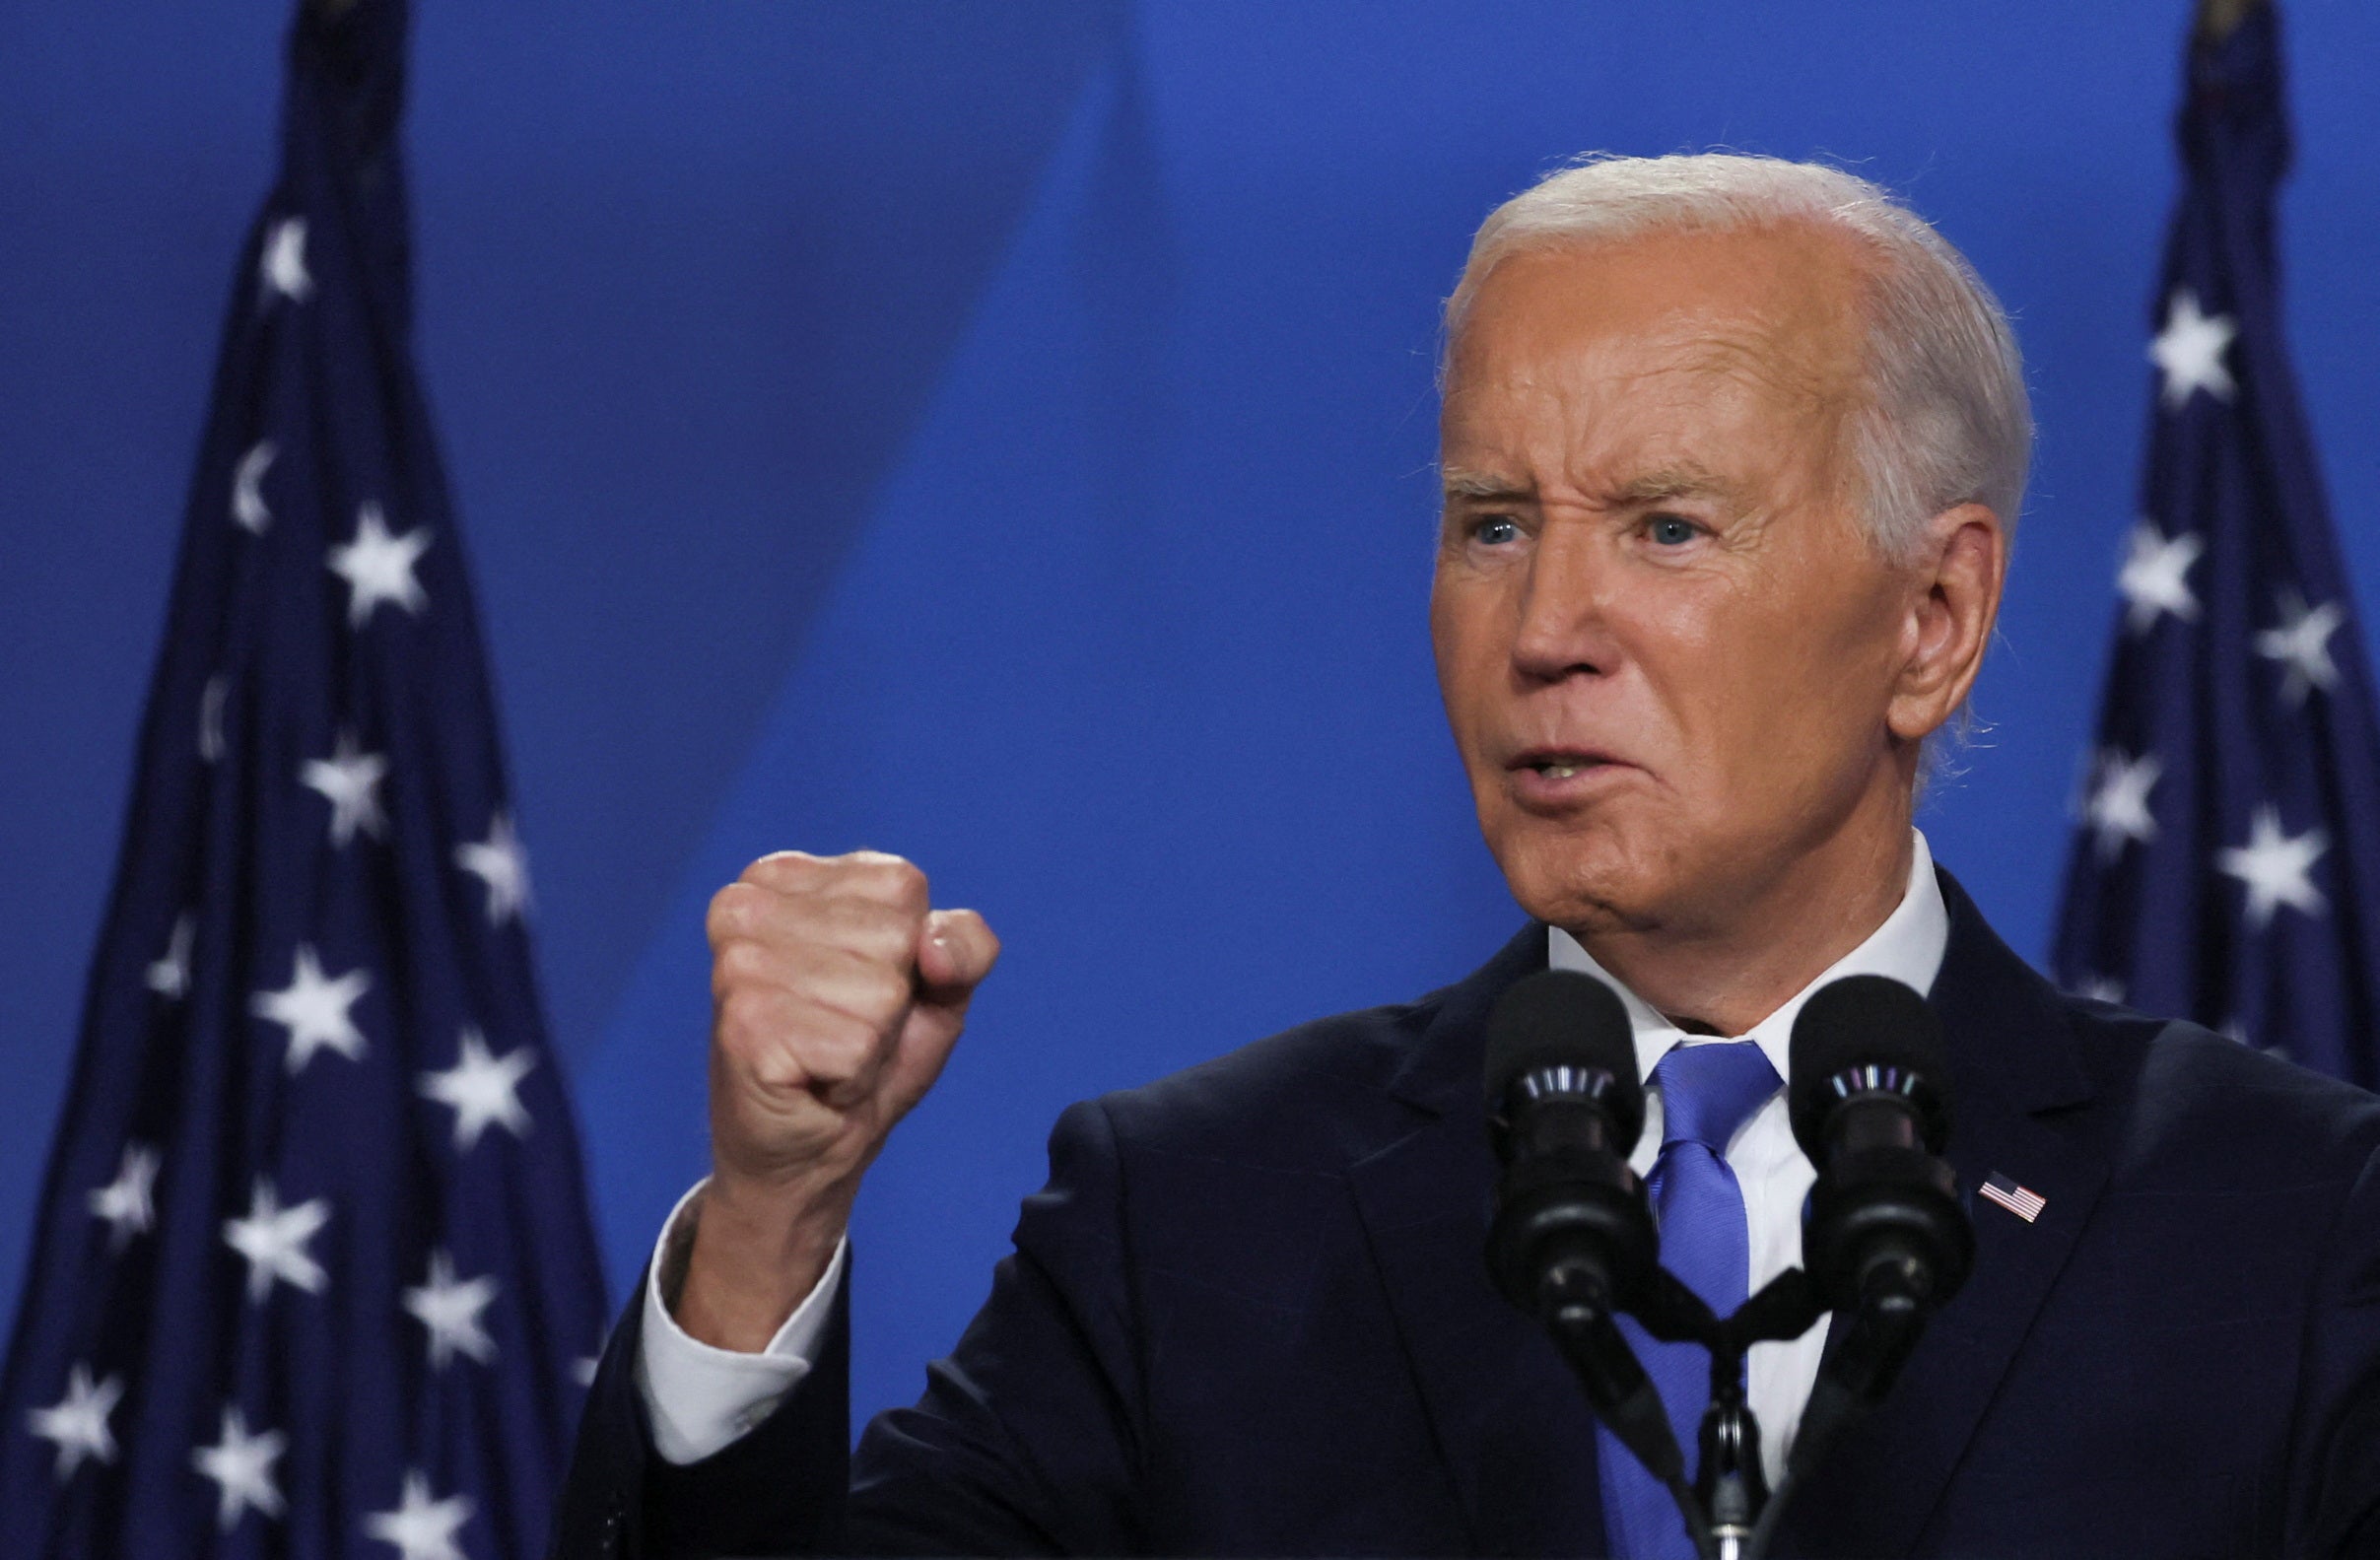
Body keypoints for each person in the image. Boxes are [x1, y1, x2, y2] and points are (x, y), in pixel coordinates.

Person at [552, 154, 2380, 1558]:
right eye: (1492, 524)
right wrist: (776, 1211)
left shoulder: (2282, 1225)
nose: (1546, 627)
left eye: (1667, 528)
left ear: (1933, 617)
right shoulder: (1195, 1220)